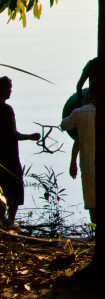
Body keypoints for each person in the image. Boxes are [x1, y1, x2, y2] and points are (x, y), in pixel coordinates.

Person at [1, 76, 41, 229]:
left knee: (2, 189)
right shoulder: (6, 109)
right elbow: (12, 134)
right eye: (8, 89)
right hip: (9, 157)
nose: (10, 92)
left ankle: (3, 222)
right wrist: (30, 137)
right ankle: (10, 222)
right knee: (14, 189)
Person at [60, 79, 98, 223]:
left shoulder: (79, 113)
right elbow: (78, 139)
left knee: (91, 202)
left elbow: (64, 125)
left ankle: (96, 233)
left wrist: (73, 162)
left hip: (87, 166)